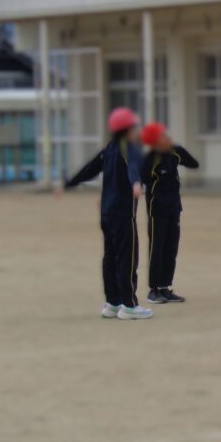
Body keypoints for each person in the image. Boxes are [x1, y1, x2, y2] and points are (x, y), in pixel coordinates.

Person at [62, 107, 152, 320]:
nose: (137, 131)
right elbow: (133, 168)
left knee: (110, 258)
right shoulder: (129, 148)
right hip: (123, 214)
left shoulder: (109, 150)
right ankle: (129, 305)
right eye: (134, 127)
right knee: (127, 258)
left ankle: (112, 303)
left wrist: (69, 183)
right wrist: (136, 183)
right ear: (127, 130)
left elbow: (89, 169)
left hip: (106, 214)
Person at [140, 122, 199, 304]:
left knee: (171, 247)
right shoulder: (150, 159)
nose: (168, 137)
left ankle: (165, 287)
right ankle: (153, 290)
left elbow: (193, 164)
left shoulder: (174, 153)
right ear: (155, 141)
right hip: (157, 208)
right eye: (163, 135)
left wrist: (178, 148)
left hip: (174, 206)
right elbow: (140, 179)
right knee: (157, 247)